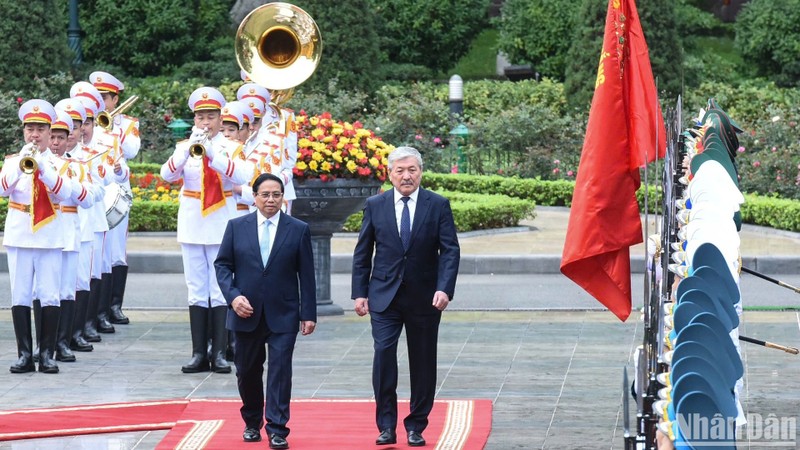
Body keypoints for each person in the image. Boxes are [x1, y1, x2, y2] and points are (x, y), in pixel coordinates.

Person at [351, 146, 460, 447]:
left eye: (412, 170)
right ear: (389, 174)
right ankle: (386, 425)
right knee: (384, 356)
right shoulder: (376, 204)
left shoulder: (437, 204)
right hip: (384, 297)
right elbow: (363, 253)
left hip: (425, 298)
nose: (406, 175)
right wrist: (360, 293)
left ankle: (417, 425)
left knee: (423, 362)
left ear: (421, 172)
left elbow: (450, 250)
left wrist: (444, 288)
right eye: (400, 170)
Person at [215, 173, 317, 449]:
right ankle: (251, 422)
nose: (271, 199)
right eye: (265, 194)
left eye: (276, 194)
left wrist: (308, 313)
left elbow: (306, 274)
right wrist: (233, 298)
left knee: (280, 370)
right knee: (247, 370)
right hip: (245, 313)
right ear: (255, 197)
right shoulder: (237, 227)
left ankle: (277, 428)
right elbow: (222, 266)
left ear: (283, 197)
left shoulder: (297, 229)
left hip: (283, 313)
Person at [161, 87, 249, 374]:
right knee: (197, 290)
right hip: (192, 224)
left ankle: (220, 352)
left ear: (220, 117)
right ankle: (199, 352)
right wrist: (188, 151)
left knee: (219, 288)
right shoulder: (184, 147)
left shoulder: (231, 147)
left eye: (211, 117)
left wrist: (214, 154)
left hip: (221, 224)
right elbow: (167, 174)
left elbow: (242, 176)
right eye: (200, 117)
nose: (205, 123)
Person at [1, 100, 73, 374]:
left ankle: (47, 354)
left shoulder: (58, 163)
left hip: (49, 234)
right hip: (20, 234)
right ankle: (24, 354)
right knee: (20, 294)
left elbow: (64, 193)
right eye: (30, 129)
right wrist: (22, 165)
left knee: (49, 294)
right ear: (23, 132)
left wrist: (43, 166)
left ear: (48, 130)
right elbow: (2, 189)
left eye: (41, 129)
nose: (35, 135)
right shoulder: (12, 161)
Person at [90, 71, 141, 326]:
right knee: (99, 251)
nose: (99, 103)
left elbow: (131, 151)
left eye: (103, 98)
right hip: (97, 191)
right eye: (96, 97)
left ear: (114, 99)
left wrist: (113, 129)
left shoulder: (129, 124)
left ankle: (114, 305)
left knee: (116, 251)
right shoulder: (87, 122)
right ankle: (98, 310)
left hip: (118, 191)